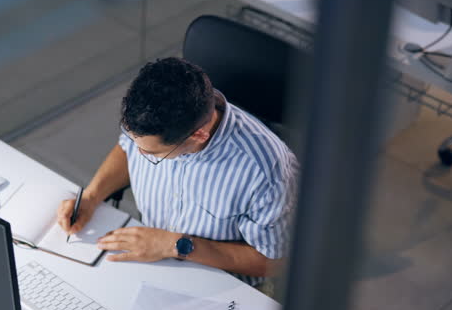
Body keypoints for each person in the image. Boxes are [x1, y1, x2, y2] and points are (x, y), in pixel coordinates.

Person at [57, 57, 298, 287]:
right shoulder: (152, 121)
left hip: (218, 281)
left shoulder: (268, 173)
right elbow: (127, 150)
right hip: (149, 254)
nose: (138, 153)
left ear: (198, 136)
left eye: (152, 154)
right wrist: (91, 196)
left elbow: (275, 262)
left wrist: (175, 245)